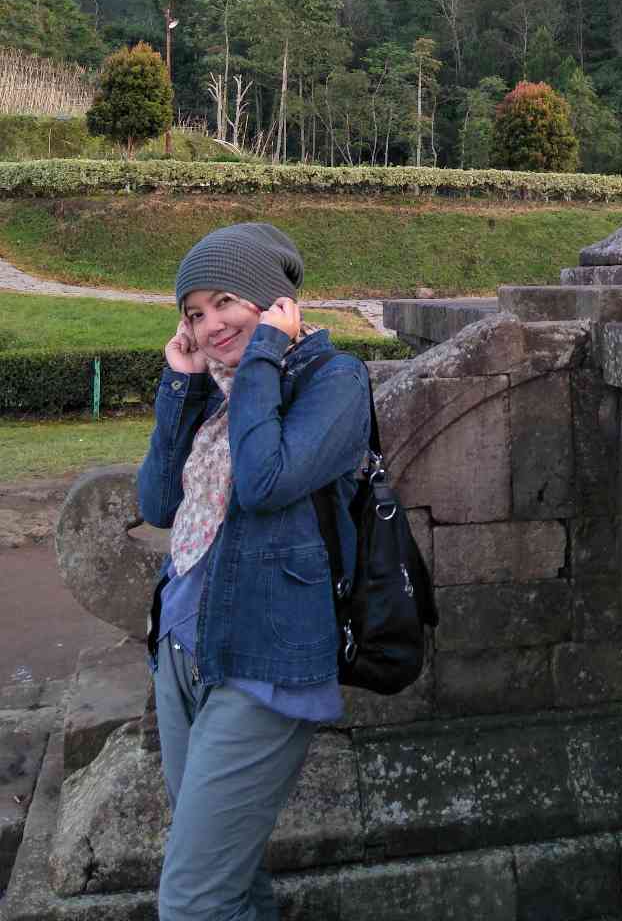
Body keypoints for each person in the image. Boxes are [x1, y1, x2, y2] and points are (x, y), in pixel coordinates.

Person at [137, 222, 370, 921]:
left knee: (192, 901)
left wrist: (266, 352)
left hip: (263, 661)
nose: (209, 326)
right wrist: (178, 387)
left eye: (225, 302)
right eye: (194, 313)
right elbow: (156, 501)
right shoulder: (213, 389)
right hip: (182, 651)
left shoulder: (334, 382)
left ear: (271, 302)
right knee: (229, 883)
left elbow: (266, 479)